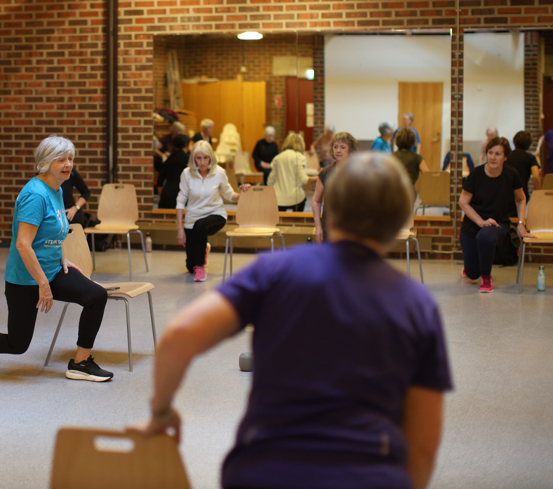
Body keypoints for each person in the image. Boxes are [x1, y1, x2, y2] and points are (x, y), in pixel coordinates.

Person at [134, 153, 453, 489]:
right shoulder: (418, 305)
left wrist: (161, 413)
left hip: (264, 472)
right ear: (402, 217)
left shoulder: (274, 271)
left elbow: (179, 336)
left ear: (333, 211)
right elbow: (423, 447)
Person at [0, 136, 113, 382]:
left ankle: (80, 363)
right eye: (61, 159)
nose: (68, 164)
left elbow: (55, 230)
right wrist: (43, 286)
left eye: (70, 158)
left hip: (52, 271)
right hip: (26, 278)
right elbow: (23, 244)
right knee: (17, 344)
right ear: (45, 163)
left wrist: (62, 257)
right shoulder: (35, 194)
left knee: (96, 296)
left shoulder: (57, 189)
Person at [459, 137, 535, 293]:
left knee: (485, 237)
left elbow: (521, 199)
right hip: (473, 224)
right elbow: (463, 202)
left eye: (498, 154)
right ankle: (471, 268)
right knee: (472, 274)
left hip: (498, 223)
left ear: (505, 157)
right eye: (490, 152)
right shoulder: (476, 174)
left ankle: (486, 278)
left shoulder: (511, 174)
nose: (493, 157)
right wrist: (480, 221)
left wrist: (521, 223)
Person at [176, 140, 250, 283]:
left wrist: (242, 193)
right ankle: (203, 250)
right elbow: (180, 201)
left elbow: (230, 195)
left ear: (211, 157)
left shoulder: (219, 173)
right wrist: (180, 229)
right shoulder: (186, 174)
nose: (202, 162)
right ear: (193, 158)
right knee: (190, 267)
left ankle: (200, 268)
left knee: (201, 226)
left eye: (206, 158)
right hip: (192, 219)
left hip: (215, 215)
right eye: (198, 158)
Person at [312, 131, 357, 243]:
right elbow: (316, 201)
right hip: (329, 227)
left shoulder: (358, 172)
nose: (338, 150)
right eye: (335, 147)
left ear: (350, 150)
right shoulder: (325, 173)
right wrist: (318, 227)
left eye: (342, 147)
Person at [268, 133, 316, 212]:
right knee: (302, 198)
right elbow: (304, 179)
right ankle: (297, 222)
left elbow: (270, 181)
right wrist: (318, 177)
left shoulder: (277, 157)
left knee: (279, 220)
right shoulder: (300, 157)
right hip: (295, 199)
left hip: (278, 199)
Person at [504, 130, 541, 210]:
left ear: (514, 142)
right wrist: (539, 193)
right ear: (528, 144)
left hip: (505, 193)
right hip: (522, 194)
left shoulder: (506, 157)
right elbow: (535, 176)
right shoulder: (530, 158)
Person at [158, 134, 191, 209]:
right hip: (182, 195)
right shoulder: (188, 159)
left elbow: (160, 181)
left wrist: (162, 196)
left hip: (167, 195)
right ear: (186, 144)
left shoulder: (169, 159)